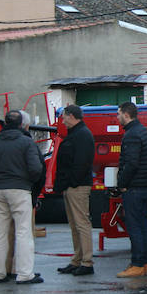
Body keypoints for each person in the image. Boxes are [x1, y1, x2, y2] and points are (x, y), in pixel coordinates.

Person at [0, 110, 44, 285]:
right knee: (23, 231)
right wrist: (25, 180)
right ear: (21, 124)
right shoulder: (26, 143)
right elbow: (36, 169)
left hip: (0, 189)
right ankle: (25, 274)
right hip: (20, 189)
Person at [53, 104, 95, 276]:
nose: (62, 121)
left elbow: (81, 163)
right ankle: (77, 259)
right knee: (74, 225)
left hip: (77, 187)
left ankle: (87, 262)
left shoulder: (82, 135)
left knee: (81, 224)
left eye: (64, 117)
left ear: (71, 116)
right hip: (72, 185)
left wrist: (71, 182)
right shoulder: (78, 134)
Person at [115, 102, 147, 278]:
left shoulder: (131, 135)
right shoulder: (143, 131)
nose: (117, 118)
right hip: (144, 186)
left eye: (118, 114)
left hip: (134, 187)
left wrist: (121, 183)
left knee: (134, 227)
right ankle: (146, 263)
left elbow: (131, 163)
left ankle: (137, 263)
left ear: (126, 115)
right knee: (143, 225)